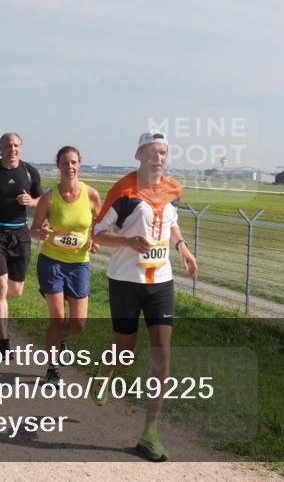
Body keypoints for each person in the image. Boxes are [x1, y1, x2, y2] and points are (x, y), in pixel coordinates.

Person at [91, 131, 197, 462]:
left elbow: (171, 221)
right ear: (138, 155)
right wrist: (128, 242)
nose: (159, 157)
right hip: (125, 280)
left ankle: (150, 433)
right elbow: (98, 233)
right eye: (152, 152)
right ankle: (106, 370)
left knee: (162, 353)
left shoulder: (173, 189)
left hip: (161, 282)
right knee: (124, 352)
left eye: (163, 152)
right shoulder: (123, 191)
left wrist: (182, 247)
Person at [30, 146, 101, 385]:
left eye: (73, 162)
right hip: (52, 262)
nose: (69, 166)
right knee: (58, 318)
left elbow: (99, 226)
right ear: (58, 166)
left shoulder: (92, 195)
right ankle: (52, 369)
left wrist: (94, 240)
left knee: (79, 324)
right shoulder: (49, 198)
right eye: (64, 162)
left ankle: (58, 340)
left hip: (79, 264)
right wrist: (41, 233)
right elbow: (33, 230)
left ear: (79, 164)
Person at [0, 132, 42, 354]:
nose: (12, 149)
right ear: (0, 148)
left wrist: (31, 201)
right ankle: (3, 342)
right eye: (7, 145)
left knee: (15, 291)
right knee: (1, 288)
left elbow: (42, 201)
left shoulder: (30, 172)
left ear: (20, 147)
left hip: (20, 234)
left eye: (15, 145)